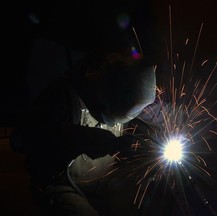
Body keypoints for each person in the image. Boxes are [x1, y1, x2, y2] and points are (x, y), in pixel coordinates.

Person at [10, 49, 157, 215]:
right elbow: (25, 140)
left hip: (101, 183)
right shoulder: (61, 96)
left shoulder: (118, 102)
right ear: (107, 85)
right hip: (61, 185)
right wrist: (82, 138)